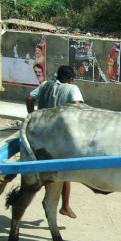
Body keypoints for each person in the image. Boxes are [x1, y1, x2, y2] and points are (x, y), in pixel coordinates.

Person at [26, 65, 84, 219]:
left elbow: (29, 98)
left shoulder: (46, 84)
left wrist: (32, 115)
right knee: (64, 172)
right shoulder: (72, 89)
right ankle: (65, 206)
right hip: (58, 136)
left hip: (40, 133)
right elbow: (78, 107)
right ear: (70, 79)